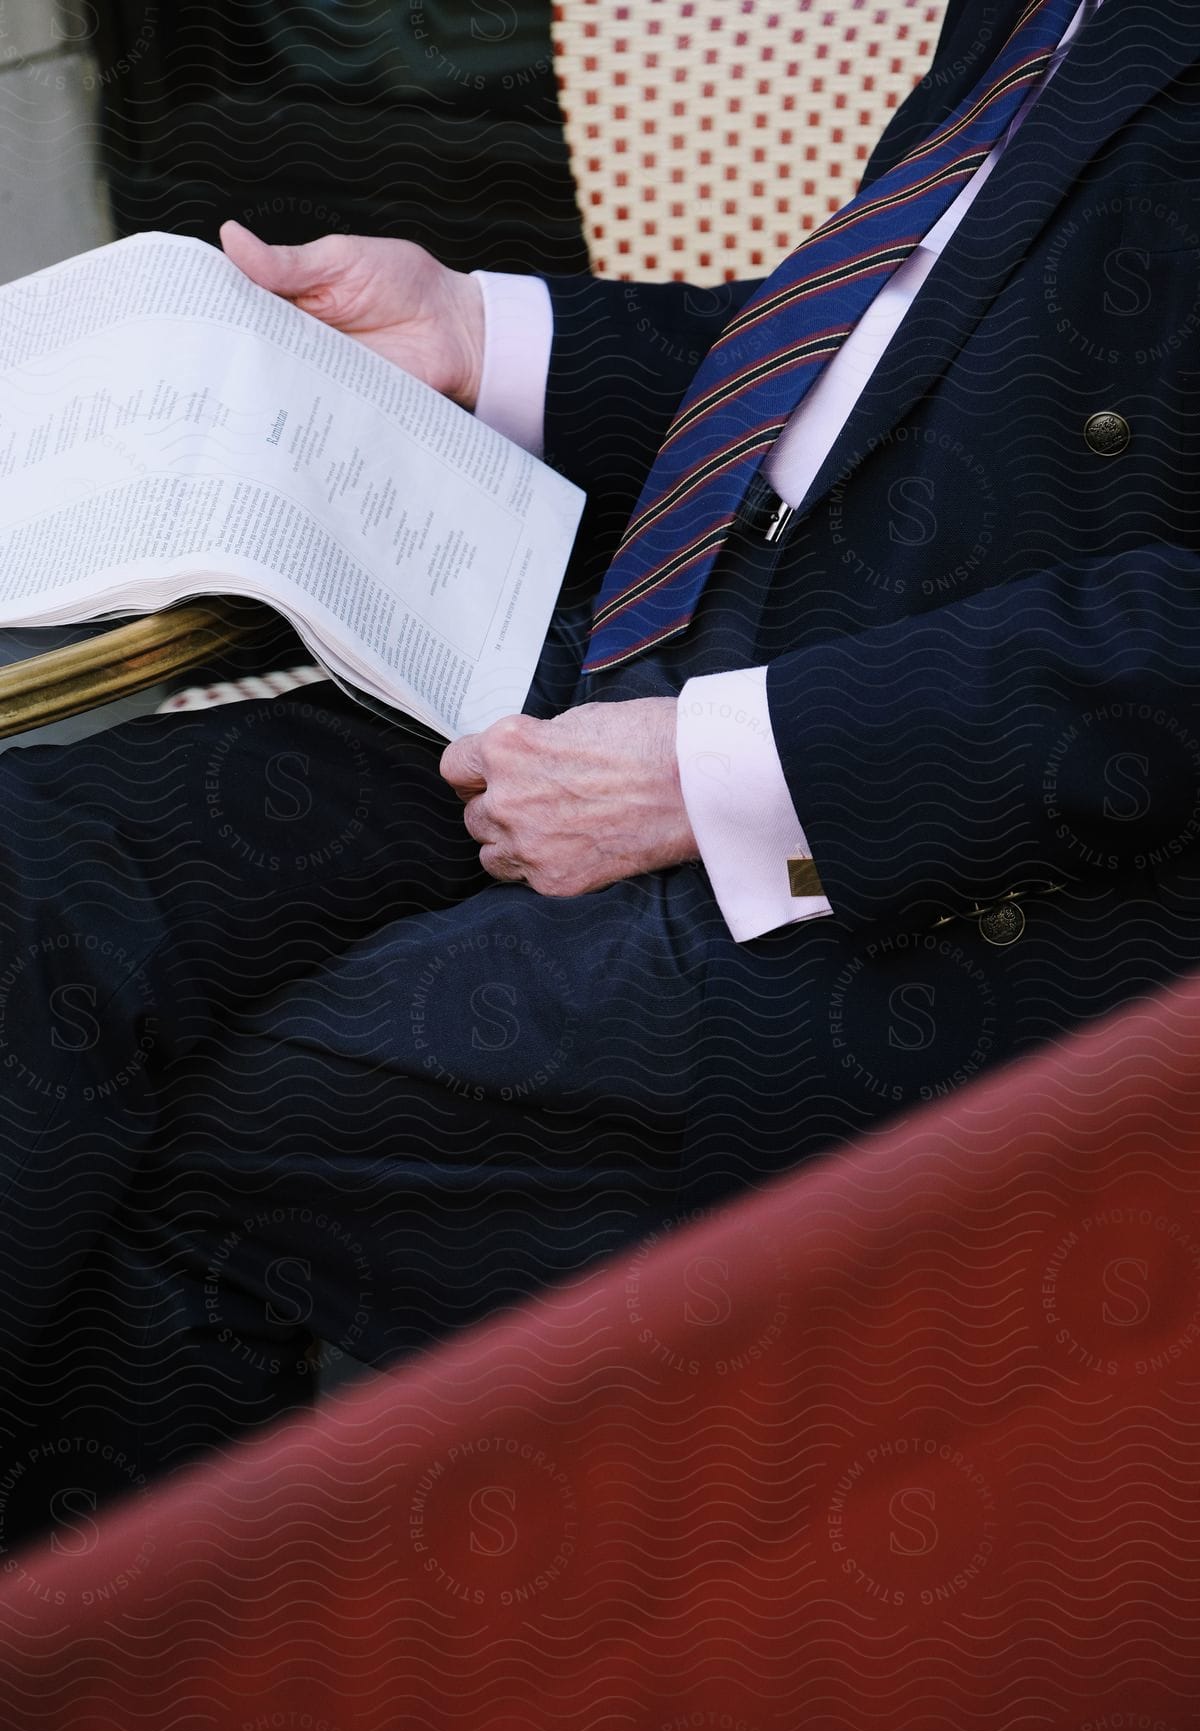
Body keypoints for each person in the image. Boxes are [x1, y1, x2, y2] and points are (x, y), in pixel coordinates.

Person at [3, 0, 1200, 1538]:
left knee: (221, 1139)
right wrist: (477, 332)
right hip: (650, 656)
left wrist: (710, 774)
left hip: (939, 852)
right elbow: (886, 375)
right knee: (47, 864)